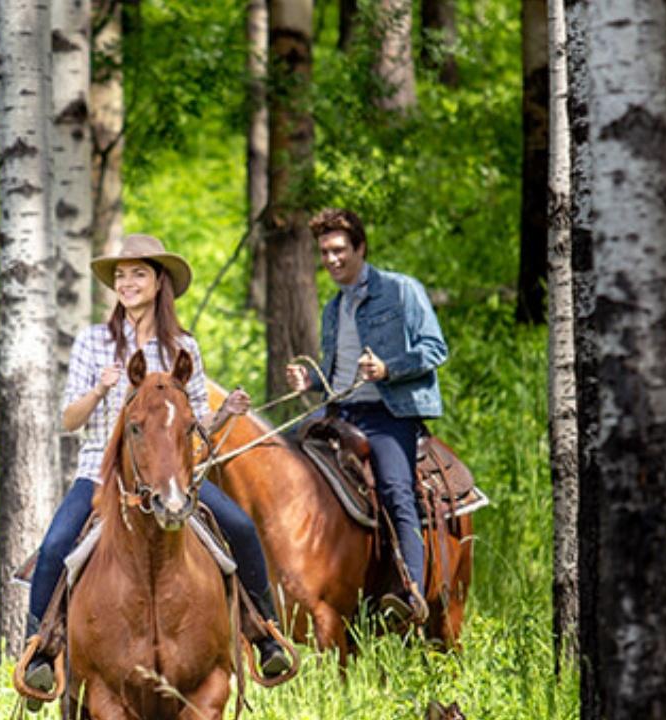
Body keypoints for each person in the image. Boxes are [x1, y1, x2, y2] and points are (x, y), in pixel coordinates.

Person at [24, 234, 290, 703]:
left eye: (138, 274)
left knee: (240, 527)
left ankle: (262, 634)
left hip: (175, 477)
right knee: (54, 547)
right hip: (101, 475)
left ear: (159, 281)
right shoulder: (93, 342)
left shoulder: (183, 346)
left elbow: (196, 425)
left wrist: (225, 411)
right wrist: (100, 390)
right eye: (121, 276)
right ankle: (40, 653)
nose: (127, 284)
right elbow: (69, 420)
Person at [285, 208, 448, 628]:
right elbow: (336, 375)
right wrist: (311, 380)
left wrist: (389, 368)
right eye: (324, 252)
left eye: (339, 250)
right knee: (282, 462)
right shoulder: (333, 308)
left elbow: (435, 350)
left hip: (388, 412)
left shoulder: (401, 290)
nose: (331, 259)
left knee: (396, 489)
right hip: (339, 409)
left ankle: (410, 591)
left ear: (360, 247)